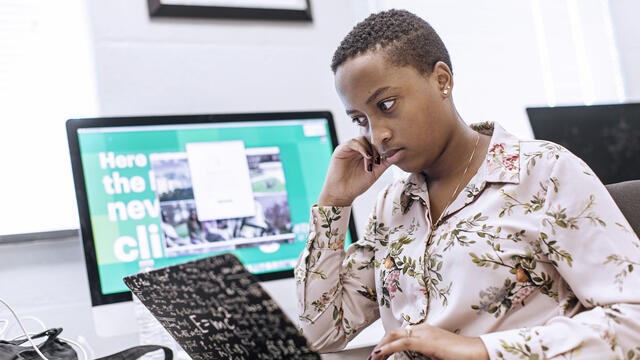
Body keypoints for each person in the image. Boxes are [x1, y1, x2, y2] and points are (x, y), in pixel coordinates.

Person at [294, 9, 640, 360]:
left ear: (442, 80)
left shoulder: (543, 172)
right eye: (360, 119)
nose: (377, 134)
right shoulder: (392, 205)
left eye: (386, 105)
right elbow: (321, 333)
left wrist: (481, 350)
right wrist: (334, 203)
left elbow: (633, 322)